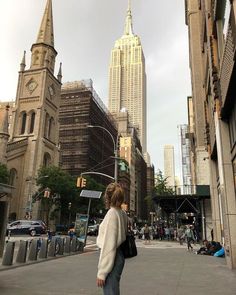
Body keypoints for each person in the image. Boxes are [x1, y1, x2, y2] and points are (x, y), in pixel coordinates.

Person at [96, 182, 128, 295]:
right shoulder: (122, 213)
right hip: (118, 257)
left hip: (112, 259)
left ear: (107, 197)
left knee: (110, 291)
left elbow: (109, 246)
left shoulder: (112, 214)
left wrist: (102, 272)